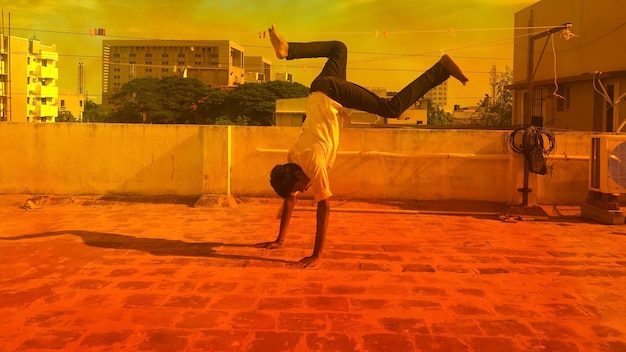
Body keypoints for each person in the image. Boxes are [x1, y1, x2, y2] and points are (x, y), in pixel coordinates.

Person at [255, 25, 468, 268]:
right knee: (339, 48)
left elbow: (324, 207)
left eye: (300, 187)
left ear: (296, 174)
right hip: (317, 89)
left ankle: (441, 69)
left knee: (392, 109)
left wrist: (316, 255)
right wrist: (280, 240)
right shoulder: (292, 156)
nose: (304, 190)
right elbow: (290, 199)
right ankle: (289, 50)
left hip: (331, 93)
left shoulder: (312, 162)